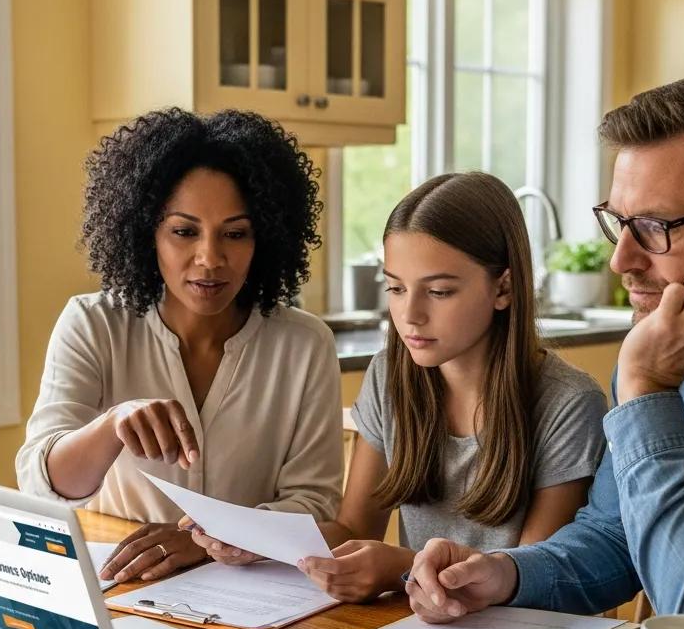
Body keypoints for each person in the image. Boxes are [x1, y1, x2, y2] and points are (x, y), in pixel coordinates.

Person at [405, 72, 684, 629]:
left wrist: (645, 387)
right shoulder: (669, 352)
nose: (621, 260)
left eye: (656, 228)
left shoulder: (653, 366)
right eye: (618, 222)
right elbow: (615, 536)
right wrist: (504, 574)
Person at [191, 171, 608, 601]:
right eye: (395, 287)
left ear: (502, 287)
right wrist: (261, 543)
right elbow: (353, 529)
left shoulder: (567, 402)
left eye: (440, 291)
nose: (410, 315)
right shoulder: (391, 374)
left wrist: (400, 570)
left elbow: (533, 579)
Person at [16, 107, 342, 582]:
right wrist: (113, 424)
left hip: (254, 592)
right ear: (146, 232)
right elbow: (41, 484)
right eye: (184, 231)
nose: (210, 258)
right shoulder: (92, 324)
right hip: (119, 582)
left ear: (265, 238)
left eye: (235, 233)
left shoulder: (305, 345)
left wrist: (203, 541)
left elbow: (314, 504)